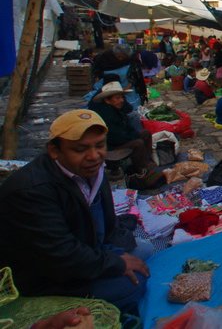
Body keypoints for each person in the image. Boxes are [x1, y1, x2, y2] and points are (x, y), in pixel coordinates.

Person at [0, 110, 151, 314]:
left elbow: (105, 227)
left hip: (86, 250)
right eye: (80, 149)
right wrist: (115, 263)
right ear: (54, 150)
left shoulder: (93, 171)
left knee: (145, 250)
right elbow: (60, 255)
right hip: (47, 277)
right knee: (133, 284)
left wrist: (115, 254)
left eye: (100, 145)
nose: (94, 156)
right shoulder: (31, 191)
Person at [89, 82, 154, 173]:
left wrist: (134, 134)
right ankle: (141, 169)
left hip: (122, 138)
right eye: (117, 98)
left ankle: (147, 161)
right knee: (138, 143)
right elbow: (116, 137)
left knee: (146, 133)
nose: (122, 100)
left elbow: (128, 126)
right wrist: (133, 136)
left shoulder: (117, 110)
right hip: (111, 146)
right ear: (108, 100)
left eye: (122, 97)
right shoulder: (107, 114)